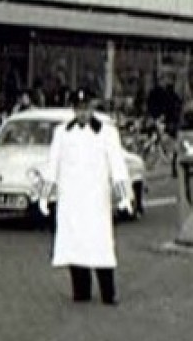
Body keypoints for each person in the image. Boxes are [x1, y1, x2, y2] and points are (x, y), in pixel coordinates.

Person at [39, 90, 131, 305]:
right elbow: (52, 165)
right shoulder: (62, 133)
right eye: (79, 108)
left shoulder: (107, 133)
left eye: (86, 108)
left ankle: (108, 293)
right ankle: (81, 291)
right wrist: (45, 196)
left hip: (96, 200)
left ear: (92, 108)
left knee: (100, 246)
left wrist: (124, 196)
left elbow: (117, 166)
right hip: (71, 200)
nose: (83, 113)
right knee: (75, 246)